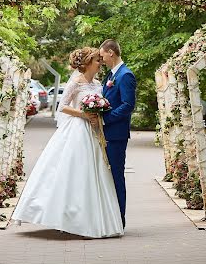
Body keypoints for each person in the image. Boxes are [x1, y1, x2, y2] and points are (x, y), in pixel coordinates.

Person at [12, 47, 123, 239]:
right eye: (97, 60)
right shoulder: (75, 82)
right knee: (75, 171)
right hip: (77, 130)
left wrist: (98, 115)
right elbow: (62, 106)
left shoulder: (99, 84)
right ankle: (66, 217)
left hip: (94, 132)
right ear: (88, 63)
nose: (100, 63)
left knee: (94, 173)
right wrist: (84, 114)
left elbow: (103, 105)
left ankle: (93, 220)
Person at [100, 39, 137, 229]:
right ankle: (110, 218)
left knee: (116, 176)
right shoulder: (111, 75)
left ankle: (119, 221)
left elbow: (128, 105)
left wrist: (106, 119)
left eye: (103, 55)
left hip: (116, 135)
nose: (101, 58)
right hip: (106, 133)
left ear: (111, 52)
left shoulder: (126, 75)